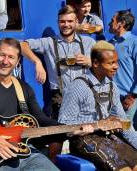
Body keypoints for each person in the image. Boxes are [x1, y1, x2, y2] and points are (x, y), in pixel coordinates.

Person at [0, 38, 90, 170]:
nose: (5, 61)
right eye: (2, 55)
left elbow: (41, 119)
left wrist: (71, 129)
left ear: (18, 61)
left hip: (25, 153)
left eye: (11, 57)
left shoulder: (23, 88)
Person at [59, 40, 137, 171]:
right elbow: (64, 124)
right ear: (95, 63)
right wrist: (80, 130)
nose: (116, 66)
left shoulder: (112, 86)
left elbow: (124, 123)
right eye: (111, 63)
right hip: (83, 140)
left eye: (116, 62)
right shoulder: (77, 86)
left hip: (107, 137)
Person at [21, 5, 96, 120]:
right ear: (58, 22)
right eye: (62, 21)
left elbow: (103, 65)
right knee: (63, 134)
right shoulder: (49, 42)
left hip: (85, 96)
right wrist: (37, 62)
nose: (66, 25)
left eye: (70, 21)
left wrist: (90, 62)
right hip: (60, 98)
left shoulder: (89, 42)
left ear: (76, 22)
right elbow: (22, 45)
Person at [108, 9, 137, 129]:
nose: (109, 23)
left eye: (112, 20)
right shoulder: (110, 44)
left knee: (129, 134)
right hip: (112, 101)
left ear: (121, 23)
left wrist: (133, 96)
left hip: (129, 100)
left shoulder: (134, 43)